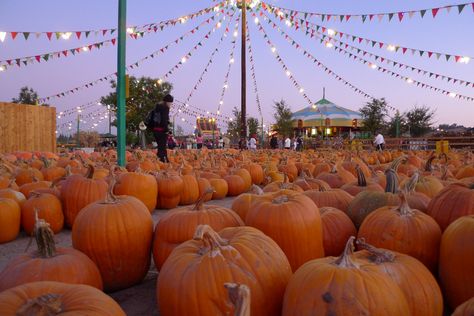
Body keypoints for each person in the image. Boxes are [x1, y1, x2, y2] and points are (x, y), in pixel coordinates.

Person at [146, 94, 172, 162]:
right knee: (161, 148)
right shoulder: (165, 108)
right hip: (162, 131)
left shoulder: (157, 108)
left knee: (161, 146)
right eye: (170, 102)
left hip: (155, 131)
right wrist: (166, 130)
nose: (171, 104)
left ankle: (165, 160)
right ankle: (160, 162)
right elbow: (164, 120)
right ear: (167, 101)